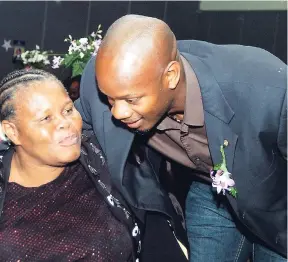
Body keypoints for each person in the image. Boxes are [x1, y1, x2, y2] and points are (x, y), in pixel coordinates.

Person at [75, 14, 287, 262]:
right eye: (110, 99)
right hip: (210, 189)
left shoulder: (270, 91)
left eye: (132, 100)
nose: (117, 112)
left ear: (171, 75)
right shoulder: (106, 81)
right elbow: (67, 137)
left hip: (277, 200)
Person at [0, 69, 188, 262]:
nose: (65, 123)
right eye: (46, 118)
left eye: (68, 110)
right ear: (12, 132)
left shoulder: (106, 162)